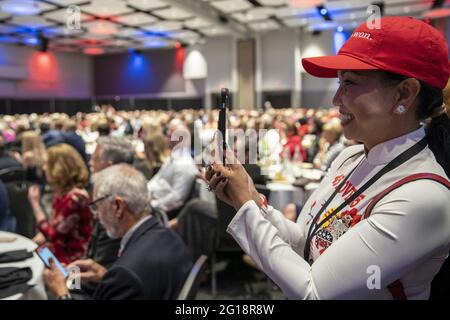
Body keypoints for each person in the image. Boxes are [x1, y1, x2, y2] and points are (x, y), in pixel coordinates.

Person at [206, 16, 450, 299]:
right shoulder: (350, 157)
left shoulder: (424, 196)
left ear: (403, 94)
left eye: (349, 83)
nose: (336, 99)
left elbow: (314, 291)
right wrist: (251, 196)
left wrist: (244, 203)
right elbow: (304, 244)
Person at [43, 164, 192, 300]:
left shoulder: (125, 274)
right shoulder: (171, 237)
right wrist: (106, 277)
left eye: (97, 206)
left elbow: (133, 277)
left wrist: (61, 293)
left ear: (118, 207)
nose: (96, 214)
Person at [28, 143, 92, 264]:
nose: (44, 168)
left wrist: (35, 204)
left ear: (59, 168)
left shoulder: (76, 198)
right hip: (58, 251)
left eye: (48, 164)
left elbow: (52, 235)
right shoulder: (62, 192)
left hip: (71, 262)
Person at [147, 122, 197, 219]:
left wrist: (153, 204)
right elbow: (157, 179)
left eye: (169, 135)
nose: (165, 139)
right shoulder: (174, 157)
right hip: (151, 199)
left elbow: (177, 198)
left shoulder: (184, 164)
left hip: (160, 211)